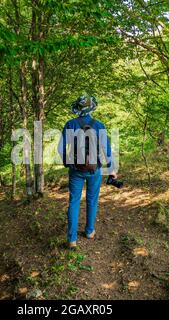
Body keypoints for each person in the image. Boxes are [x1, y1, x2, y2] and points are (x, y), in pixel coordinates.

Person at [58, 94, 117, 249]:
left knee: (74, 201)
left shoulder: (70, 124)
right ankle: (89, 231)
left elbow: (60, 148)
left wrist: (68, 163)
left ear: (78, 109)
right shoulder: (99, 125)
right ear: (92, 108)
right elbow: (107, 150)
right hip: (94, 169)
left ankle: (72, 239)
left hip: (75, 170)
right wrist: (111, 170)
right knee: (92, 200)